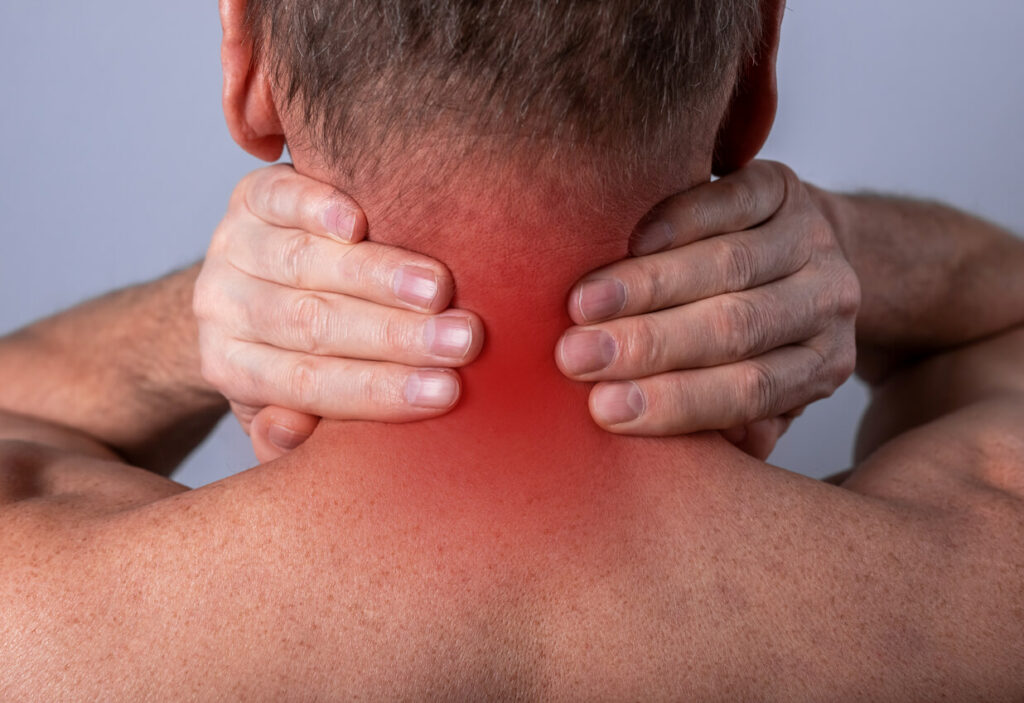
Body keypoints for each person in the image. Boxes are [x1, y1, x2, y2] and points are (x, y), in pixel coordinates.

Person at [0, 1, 1022, 700]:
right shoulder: (986, 584)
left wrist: (196, 318)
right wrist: (850, 250)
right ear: (756, 68)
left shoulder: (33, 611)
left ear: (248, 63)